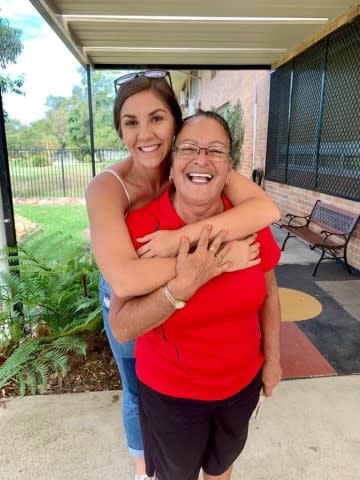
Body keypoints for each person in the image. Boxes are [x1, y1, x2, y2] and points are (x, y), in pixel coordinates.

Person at [86, 71, 280, 480]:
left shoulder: (214, 173)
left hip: (234, 381)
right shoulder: (110, 189)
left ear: (173, 125)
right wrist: (215, 260)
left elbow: (267, 213)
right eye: (130, 123)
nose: (145, 134)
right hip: (127, 270)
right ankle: (143, 468)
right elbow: (124, 282)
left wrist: (183, 239)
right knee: (137, 390)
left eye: (157, 119)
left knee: (220, 461)